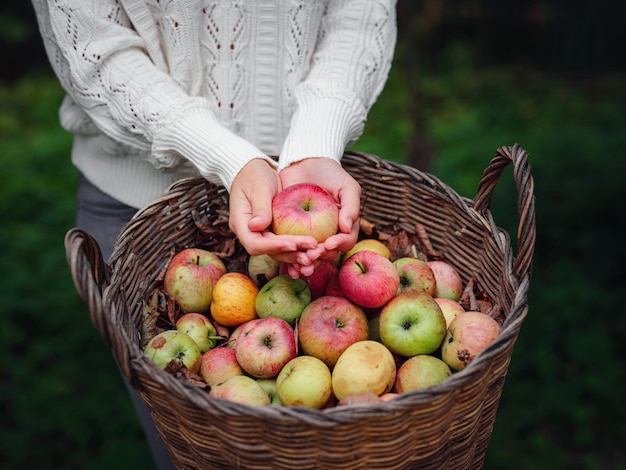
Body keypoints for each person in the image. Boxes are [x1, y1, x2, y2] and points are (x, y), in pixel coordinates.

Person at [32, 0, 397, 467]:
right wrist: (227, 156)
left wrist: (315, 139)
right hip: (134, 209)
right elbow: (93, 46)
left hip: (309, 189)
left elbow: (359, 14)